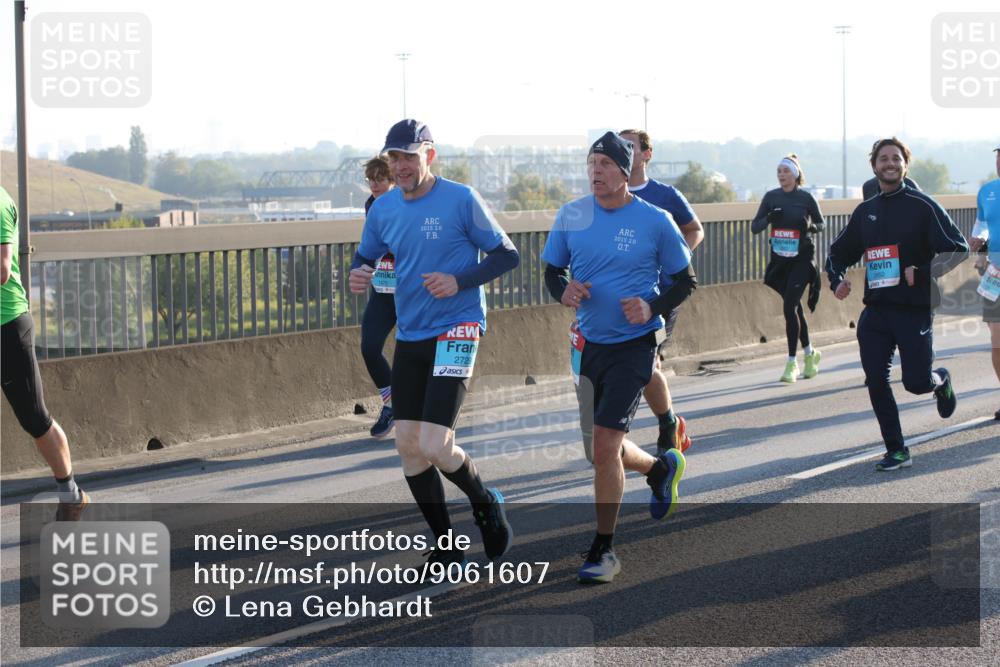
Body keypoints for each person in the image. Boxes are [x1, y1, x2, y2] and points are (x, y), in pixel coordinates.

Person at [349, 119, 519, 565]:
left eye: (408, 156)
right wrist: (358, 272)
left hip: (459, 326)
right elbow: (364, 254)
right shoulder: (385, 209)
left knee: (435, 445)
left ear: (430, 155)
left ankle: (485, 503)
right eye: (394, 157)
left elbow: (507, 254)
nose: (401, 166)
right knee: (406, 443)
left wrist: (459, 280)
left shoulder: (460, 199)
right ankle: (446, 546)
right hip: (412, 332)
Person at [542, 132, 696, 583]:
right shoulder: (571, 215)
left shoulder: (656, 220)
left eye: (605, 164)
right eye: (591, 163)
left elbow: (685, 280)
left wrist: (652, 307)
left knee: (606, 446)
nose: (596, 171)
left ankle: (603, 550)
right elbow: (552, 271)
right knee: (596, 452)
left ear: (625, 171)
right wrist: (564, 289)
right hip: (588, 344)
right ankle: (659, 467)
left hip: (634, 344)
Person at [826, 137, 969, 471]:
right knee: (876, 379)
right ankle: (896, 449)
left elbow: (958, 248)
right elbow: (837, 253)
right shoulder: (866, 212)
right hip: (876, 310)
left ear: (905, 164)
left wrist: (921, 271)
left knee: (916, 383)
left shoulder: (922, 206)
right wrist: (836, 281)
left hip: (913, 308)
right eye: (883, 159)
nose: (889, 164)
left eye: (895, 158)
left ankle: (940, 380)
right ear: (874, 166)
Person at [0, 185, 89, 520]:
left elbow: (2, 269)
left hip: (6, 325)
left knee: (34, 418)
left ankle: (70, 493)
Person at [619, 129, 701, 454]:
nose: (623, 151)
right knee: (647, 368)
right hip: (622, 301)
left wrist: (674, 264)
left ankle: (666, 428)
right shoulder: (610, 197)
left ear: (646, 154)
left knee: (647, 364)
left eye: (630, 146)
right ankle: (671, 423)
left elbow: (695, 230)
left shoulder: (665, 195)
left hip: (661, 298)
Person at [751, 155, 825, 383]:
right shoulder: (771, 197)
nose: (781, 175)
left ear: (795, 174)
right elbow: (755, 227)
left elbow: (821, 224)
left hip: (802, 259)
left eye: (785, 171)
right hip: (780, 261)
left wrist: (810, 227)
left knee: (789, 306)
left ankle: (792, 363)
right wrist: (769, 218)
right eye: (779, 171)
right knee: (795, 309)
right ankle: (811, 353)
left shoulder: (805, 197)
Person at [359, 156, 397, 439]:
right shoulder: (371, 206)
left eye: (380, 179)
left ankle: (425, 412)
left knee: (419, 353)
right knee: (369, 347)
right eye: (371, 179)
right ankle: (391, 404)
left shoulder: (406, 205)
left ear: (393, 181)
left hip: (412, 293)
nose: (374, 184)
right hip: (382, 290)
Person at [969, 143, 1000, 420]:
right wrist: (979, 241)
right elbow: (982, 225)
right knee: (997, 340)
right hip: (996, 275)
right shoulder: (987, 191)